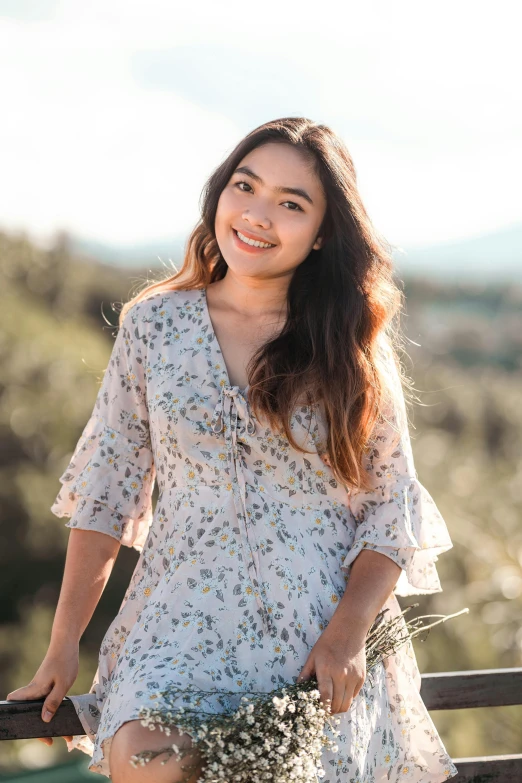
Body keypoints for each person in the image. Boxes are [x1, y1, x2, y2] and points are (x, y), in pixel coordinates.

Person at [7, 117, 458, 782]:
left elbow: (391, 507)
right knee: (147, 758)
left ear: (324, 232)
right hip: (178, 627)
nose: (257, 214)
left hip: (314, 638)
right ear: (220, 193)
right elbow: (107, 493)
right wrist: (60, 648)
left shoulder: (349, 343)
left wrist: (348, 635)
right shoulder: (154, 325)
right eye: (245, 187)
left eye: (291, 203)